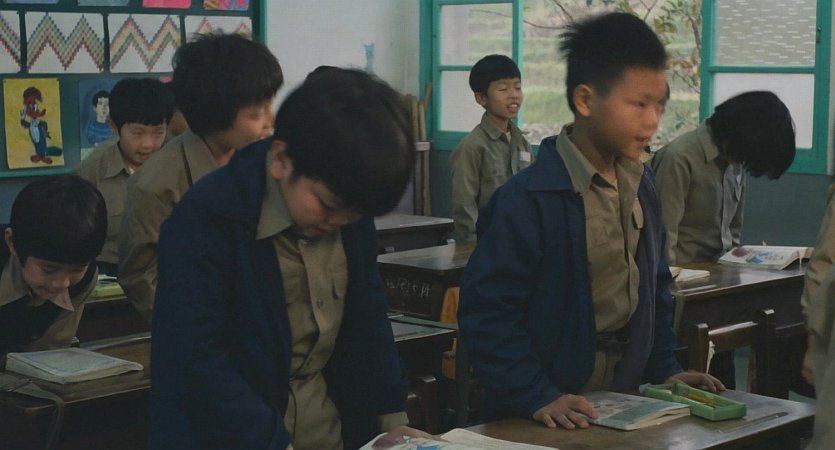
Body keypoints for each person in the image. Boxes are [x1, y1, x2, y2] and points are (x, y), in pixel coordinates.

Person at [457, 12, 723, 430]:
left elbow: (654, 289)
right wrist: (536, 394)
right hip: (545, 411)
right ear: (585, 101)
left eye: (659, 105)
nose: (652, 120)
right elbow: (487, 315)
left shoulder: (642, 182)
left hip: (626, 397)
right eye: (638, 104)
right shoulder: (528, 200)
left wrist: (665, 369)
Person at [150, 68, 432, 450]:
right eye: (327, 206)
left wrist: (391, 420)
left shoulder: (349, 207)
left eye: (353, 215)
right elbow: (196, 358)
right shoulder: (208, 219)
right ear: (281, 159)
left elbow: (367, 316)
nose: (338, 222)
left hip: (325, 430)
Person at [118, 32, 283, 322]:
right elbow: (143, 280)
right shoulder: (156, 185)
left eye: (271, 105)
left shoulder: (269, 162)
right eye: (257, 113)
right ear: (217, 113)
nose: (271, 121)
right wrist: (201, 330)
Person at [650, 91, 795, 266]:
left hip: (721, 271)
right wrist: (667, 278)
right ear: (741, 137)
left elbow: (733, 232)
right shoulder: (679, 158)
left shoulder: (735, 159)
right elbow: (663, 236)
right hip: (685, 273)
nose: (742, 162)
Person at [75, 77, 174, 277]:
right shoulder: (91, 172)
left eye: (158, 133)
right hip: (109, 271)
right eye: (137, 133)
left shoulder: (177, 162)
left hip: (168, 266)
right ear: (114, 126)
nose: (147, 144)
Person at [0, 175, 106, 357]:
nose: (61, 284)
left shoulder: (85, 278)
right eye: (48, 269)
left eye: (76, 269)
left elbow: (48, 354)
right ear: (12, 242)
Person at [449, 54, 532, 243]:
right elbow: (464, 206)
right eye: (503, 89)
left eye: (517, 87)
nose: (514, 95)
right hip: (488, 244)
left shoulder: (522, 143)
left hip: (520, 241)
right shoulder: (471, 147)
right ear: (481, 98)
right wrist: (471, 249)